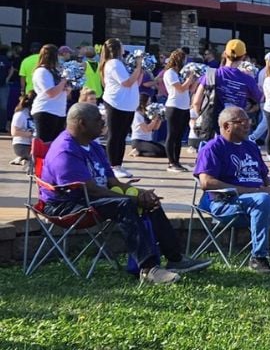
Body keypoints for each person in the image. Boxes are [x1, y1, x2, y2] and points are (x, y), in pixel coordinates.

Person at [40, 103, 211, 284]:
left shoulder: (94, 146)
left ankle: (175, 259)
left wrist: (141, 193)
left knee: (149, 201)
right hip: (65, 205)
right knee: (125, 204)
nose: (102, 123)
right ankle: (148, 269)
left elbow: (112, 182)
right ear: (82, 123)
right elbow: (88, 190)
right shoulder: (65, 150)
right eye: (98, 120)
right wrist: (133, 198)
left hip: (90, 199)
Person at [194, 106, 270, 273]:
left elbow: (264, 175)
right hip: (226, 203)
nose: (247, 125)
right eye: (241, 122)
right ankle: (259, 257)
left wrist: (269, 186)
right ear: (226, 126)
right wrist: (252, 192)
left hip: (261, 200)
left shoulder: (250, 147)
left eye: (248, 121)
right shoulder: (212, 148)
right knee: (262, 200)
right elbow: (207, 182)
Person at [192, 39, 263, 129]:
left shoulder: (210, 74)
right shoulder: (248, 79)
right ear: (243, 57)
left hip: (213, 126)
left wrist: (204, 117)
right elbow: (261, 98)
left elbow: (196, 102)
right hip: (237, 127)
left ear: (225, 54)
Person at [98, 39, 142, 179]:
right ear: (117, 48)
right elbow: (127, 83)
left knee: (122, 136)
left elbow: (134, 81)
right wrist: (138, 67)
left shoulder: (120, 63)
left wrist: (138, 70)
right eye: (122, 46)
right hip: (116, 103)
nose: (124, 48)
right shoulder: (113, 63)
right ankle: (113, 165)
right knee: (115, 134)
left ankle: (118, 164)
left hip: (126, 105)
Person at [162, 50, 195, 173]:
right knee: (172, 135)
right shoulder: (169, 73)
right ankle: (171, 162)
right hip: (174, 107)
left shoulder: (180, 74)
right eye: (183, 59)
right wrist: (189, 78)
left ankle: (177, 161)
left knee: (179, 137)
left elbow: (189, 89)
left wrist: (194, 80)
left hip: (184, 107)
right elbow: (180, 89)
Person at [30, 44, 68, 143]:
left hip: (59, 111)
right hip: (46, 111)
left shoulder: (55, 71)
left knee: (56, 144)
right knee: (44, 143)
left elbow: (64, 92)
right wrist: (63, 82)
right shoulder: (42, 72)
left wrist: (68, 85)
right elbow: (50, 93)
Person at [9, 90, 33, 168]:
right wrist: (31, 134)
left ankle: (24, 159)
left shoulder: (35, 114)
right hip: (22, 145)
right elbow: (14, 132)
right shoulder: (20, 114)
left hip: (32, 144)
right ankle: (24, 157)